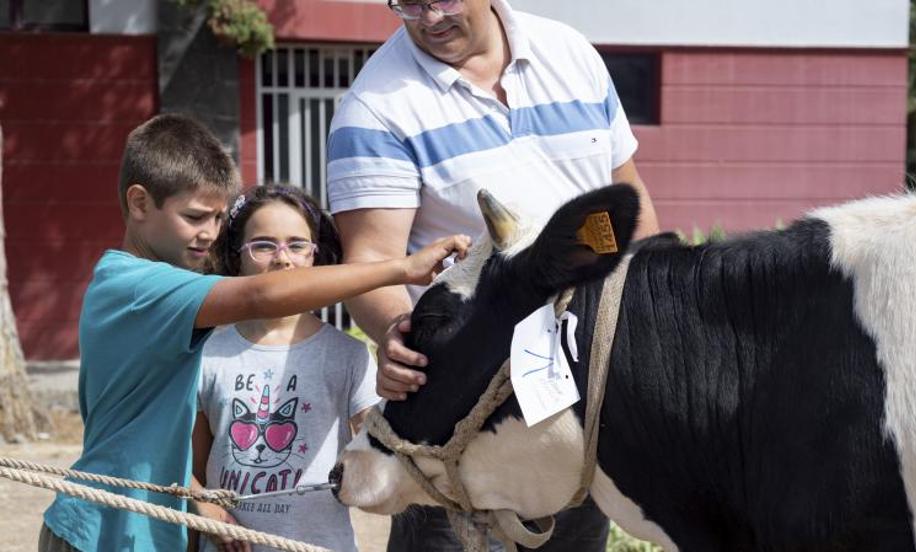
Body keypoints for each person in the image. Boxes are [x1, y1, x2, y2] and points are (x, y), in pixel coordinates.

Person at [39, 114, 469, 552]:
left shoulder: (173, 294)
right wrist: (400, 268)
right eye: (194, 217)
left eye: (217, 219)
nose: (208, 234)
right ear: (139, 203)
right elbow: (261, 295)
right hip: (104, 532)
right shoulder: (134, 286)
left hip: (151, 529)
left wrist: (199, 499)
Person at [326, 0, 659, 550]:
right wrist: (395, 333)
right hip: (459, 419)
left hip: (578, 405)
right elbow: (370, 260)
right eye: (407, 3)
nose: (430, 17)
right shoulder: (375, 106)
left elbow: (633, 208)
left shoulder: (571, 54)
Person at [190, 184, 378, 552]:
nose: (282, 258)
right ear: (235, 257)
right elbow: (189, 466)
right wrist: (204, 505)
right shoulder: (207, 354)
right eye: (262, 245)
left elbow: (379, 456)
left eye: (297, 245)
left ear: (315, 256)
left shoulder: (349, 356)